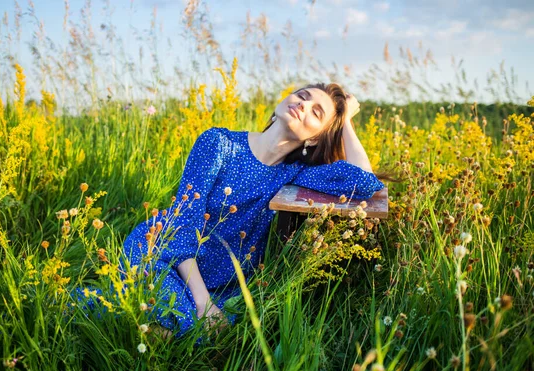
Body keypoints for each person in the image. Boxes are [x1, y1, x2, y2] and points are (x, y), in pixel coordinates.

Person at [74, 82, 389, 342]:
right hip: (164, 255)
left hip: (224, 285)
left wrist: (345, 119)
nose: (303, 105)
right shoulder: (218, 143)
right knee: (177, 329)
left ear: (317, 136)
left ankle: (87, 308)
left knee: (209, 334)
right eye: (302, 96)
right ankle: (71, 308)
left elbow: (365, 181)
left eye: (316, 112)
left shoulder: (293, 174)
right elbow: (183, 223)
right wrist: (201, 300)